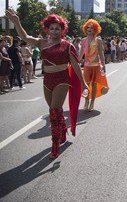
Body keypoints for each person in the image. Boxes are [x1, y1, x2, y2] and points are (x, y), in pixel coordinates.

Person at [6, 9, 89, 159]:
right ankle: (62, 129)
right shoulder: (42, 43)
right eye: (52, 28)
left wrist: (83, 83)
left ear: (62, 30)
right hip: (47, 80)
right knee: (54, 111)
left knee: (54, 111)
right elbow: (24, 36)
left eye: (58, 28)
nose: (54, 30)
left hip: (62, 79)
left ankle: (55, 144)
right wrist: (17, 21)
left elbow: (76, 65)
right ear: (47, 29)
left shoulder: (67, 45)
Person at [78, 19, 108, 111]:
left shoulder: (98, 40)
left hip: (96, 65)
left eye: (91, 27)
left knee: (94, 85)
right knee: (86, 84)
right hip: (87, 65)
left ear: (95, 29)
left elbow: (100, 52)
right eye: (88, 27)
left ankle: (92, 102)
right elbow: (82, 53)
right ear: (85, 29)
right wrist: (76, 61)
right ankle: (86, 101)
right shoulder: (83, 40)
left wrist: (103, 64)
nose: (89, 29)